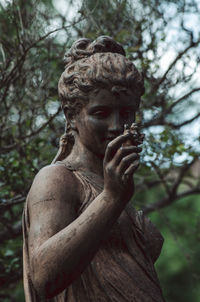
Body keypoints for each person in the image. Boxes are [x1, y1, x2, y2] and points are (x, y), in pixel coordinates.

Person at [23, 36, 166, 302]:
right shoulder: (56, 179)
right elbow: (42, 276)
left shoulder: (114, 182)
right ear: (72, 115)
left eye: (126, 113)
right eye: (100, 113)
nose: (117, 125)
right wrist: (111, 199)